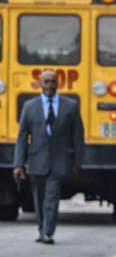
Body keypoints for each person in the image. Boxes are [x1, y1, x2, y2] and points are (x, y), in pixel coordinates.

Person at [13, 69, 84, 245]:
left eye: (53, 81)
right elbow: (22, 137)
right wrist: (18, 164)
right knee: (39, 198)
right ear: (40, 83)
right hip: (37, 160)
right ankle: (42, 228)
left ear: (58, 83)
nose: (50, 85)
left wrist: (77, 162)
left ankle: (48, 232)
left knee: (51, 197)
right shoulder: (30, 107)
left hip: (60, 161)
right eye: (46, 82)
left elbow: (78, 137)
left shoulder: (71, 106)